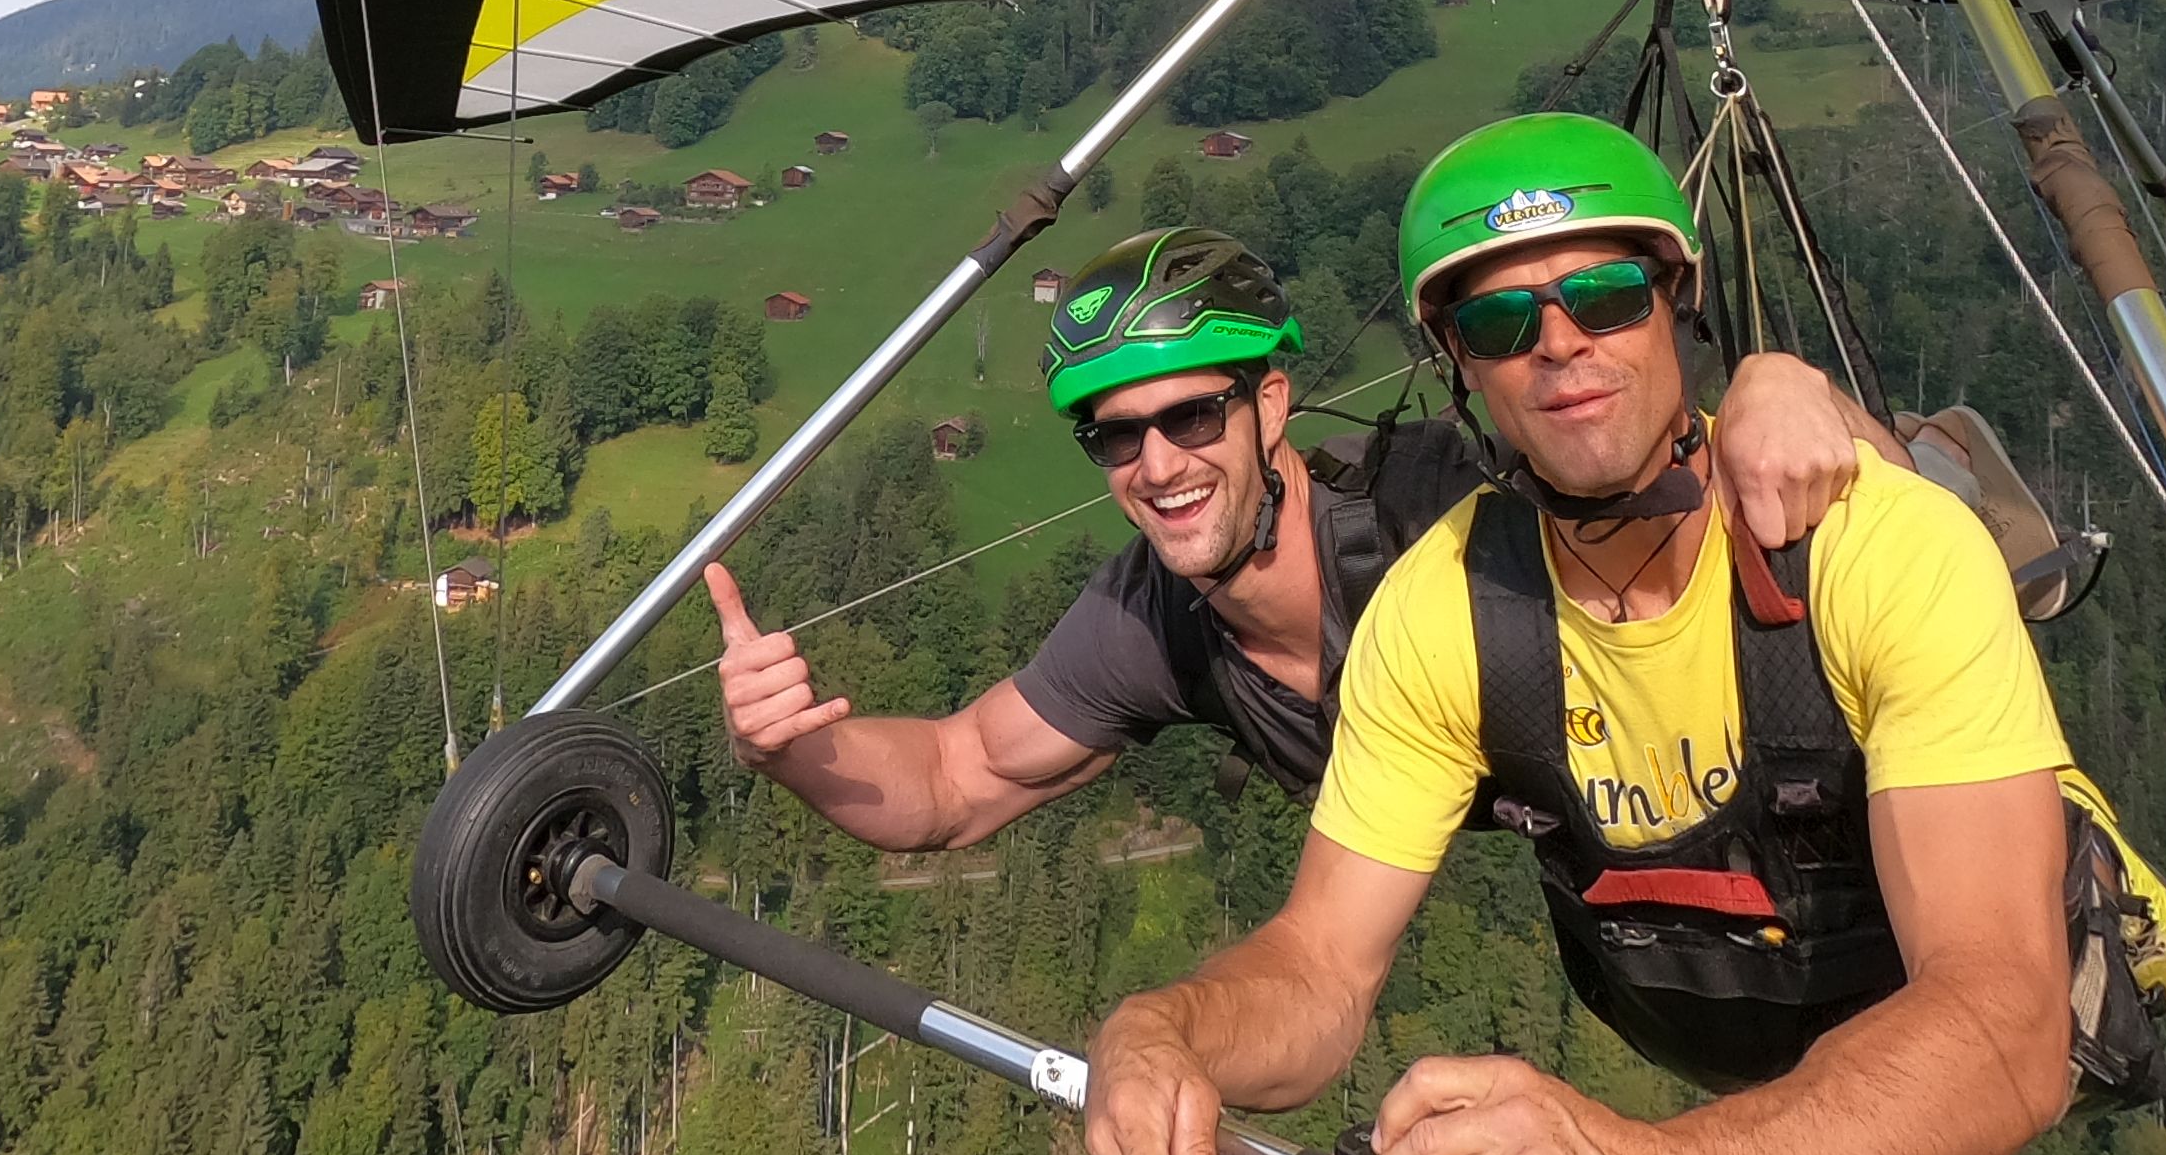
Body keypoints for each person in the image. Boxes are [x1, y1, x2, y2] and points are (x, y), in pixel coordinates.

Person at [1079, 116, 2166, 1155]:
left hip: (1981, 990)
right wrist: (1164, 1030)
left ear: (1676, 305)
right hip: (1744, 1018)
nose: (1559, 345)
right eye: (1503, 324)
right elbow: (1316, 968)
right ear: (1460, 367)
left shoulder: (1883, 552)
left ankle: (1931, 451)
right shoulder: (1441, 611)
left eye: (1605, 296)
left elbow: (2002, 1027)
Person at [705, 220, 1880, 848]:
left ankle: (1947, 444)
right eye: (1115, 439)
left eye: (1190, 416)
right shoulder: (1154, 620)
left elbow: (1624, 452)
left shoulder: (1439, 504)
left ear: (1269, 403)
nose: (1157, 466)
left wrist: (1779, 387)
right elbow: (957, 781)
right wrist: (788, 747)